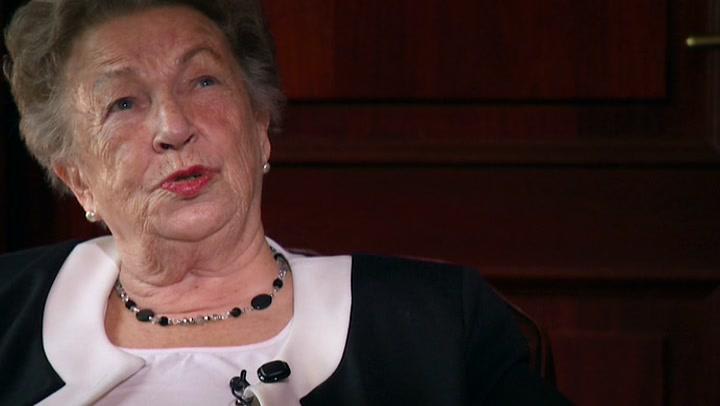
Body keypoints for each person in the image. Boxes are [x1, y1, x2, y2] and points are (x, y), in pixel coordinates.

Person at [0, 0, 569, 404]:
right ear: (78, 178)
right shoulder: (9, 308)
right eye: (123, 103)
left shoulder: (436, 325)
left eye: (203, 81)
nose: (174, 127)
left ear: (260, 127)